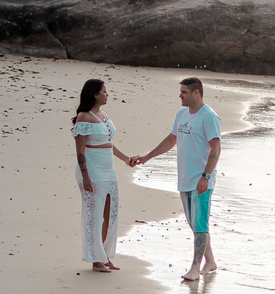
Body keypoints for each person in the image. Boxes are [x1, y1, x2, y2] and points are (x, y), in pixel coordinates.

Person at [131, 78, 221, 281]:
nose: (180, 95)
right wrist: (147, 156)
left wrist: (206, 176)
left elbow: (216, 149)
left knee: (199, 224)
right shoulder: (181, 114)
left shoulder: (209, 117)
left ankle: (195, 268)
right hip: (185, 178)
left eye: (184, 92)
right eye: (180, 91)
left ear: (196, 93)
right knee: (194, 224)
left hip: (201, 180)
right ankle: (211, 261)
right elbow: (172, 139)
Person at [73, 79, 132, 272]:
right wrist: (86, 177)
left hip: (109, 170)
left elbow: (107, 143)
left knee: (111, 214)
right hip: (93, 170)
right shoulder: (84, 117)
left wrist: (126, 158)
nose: (107, 94)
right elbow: (80, 152)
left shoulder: (103, 114)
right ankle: (95, 260)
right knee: (95, 215)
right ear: (94, 94)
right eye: (104, 91)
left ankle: (104, 255)